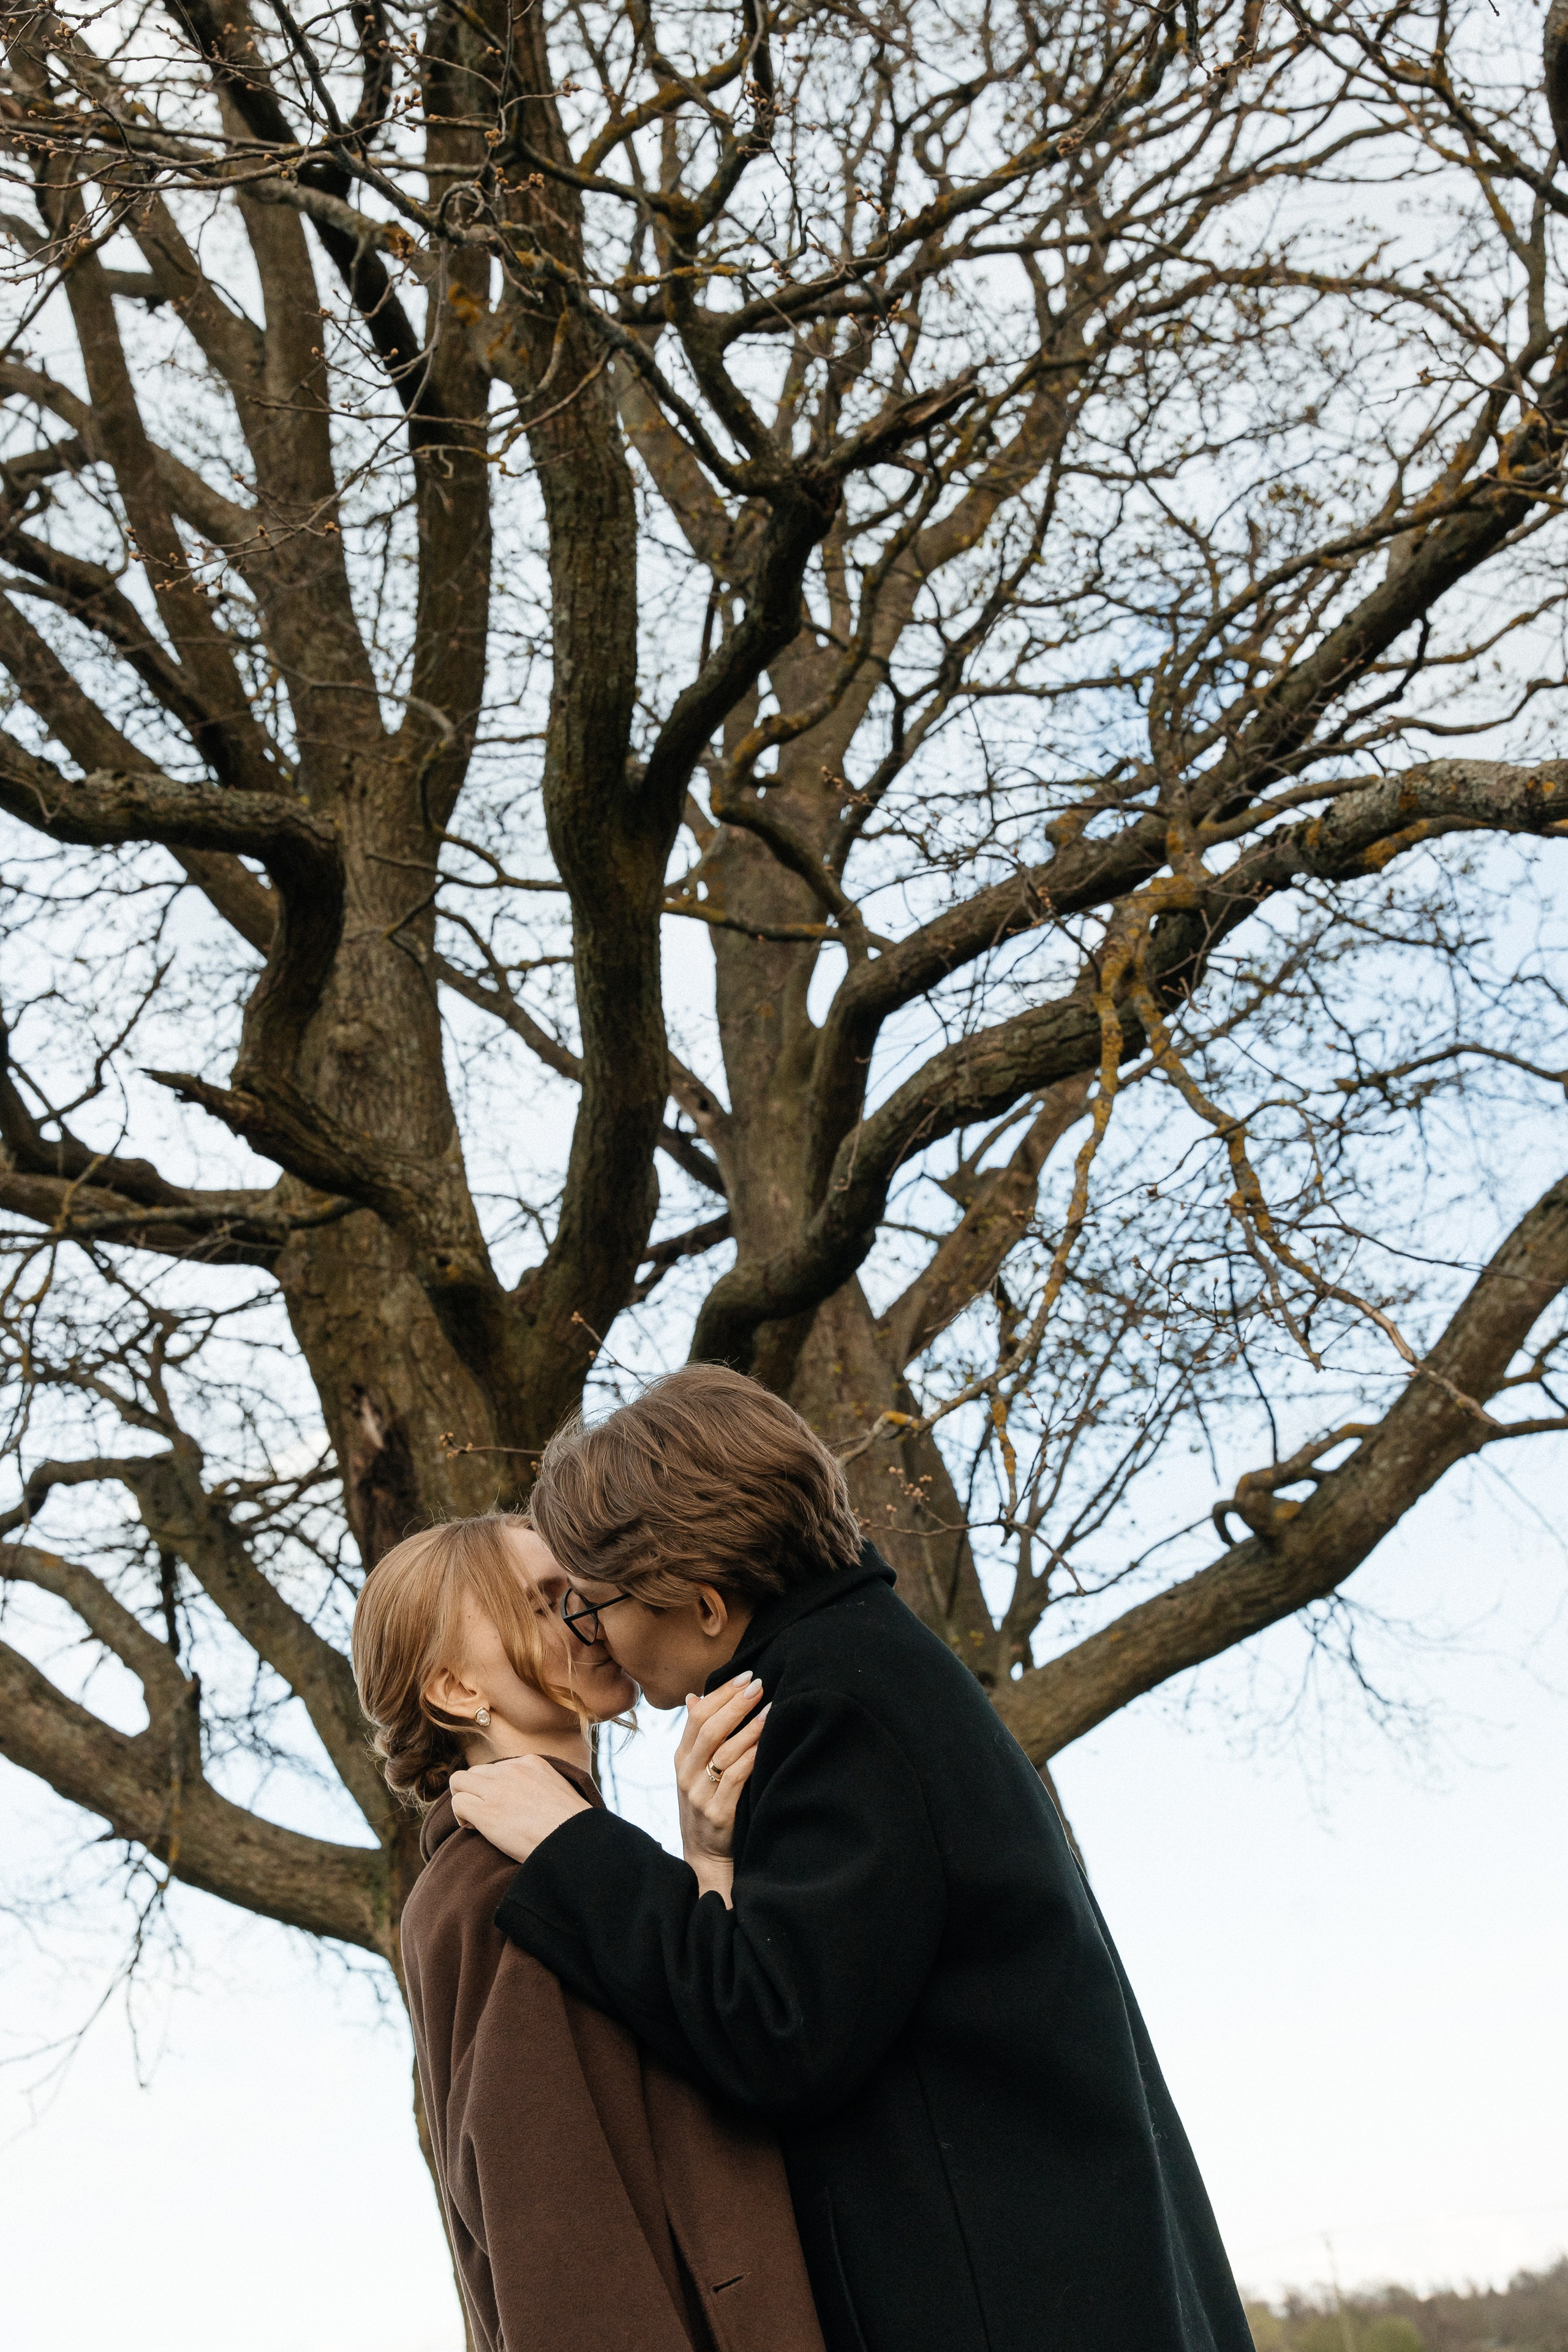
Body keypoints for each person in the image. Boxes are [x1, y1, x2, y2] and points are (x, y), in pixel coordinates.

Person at [448, 1366, 1257, 2352]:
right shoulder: (861, 1666)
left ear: (701, 1602)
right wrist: (707, 1861)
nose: (595, 1636)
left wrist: (577, 1849)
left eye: (597, 1603)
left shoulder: (833, 1705)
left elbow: (781, 2034)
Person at [350, 1512, 824, 2352]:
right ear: (457, 1690)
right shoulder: (493, 1885)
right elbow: (557, 2226)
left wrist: (707, 1873)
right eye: (541, 1602)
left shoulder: (569, 1863)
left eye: (578, 1587)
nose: (587, 1616)